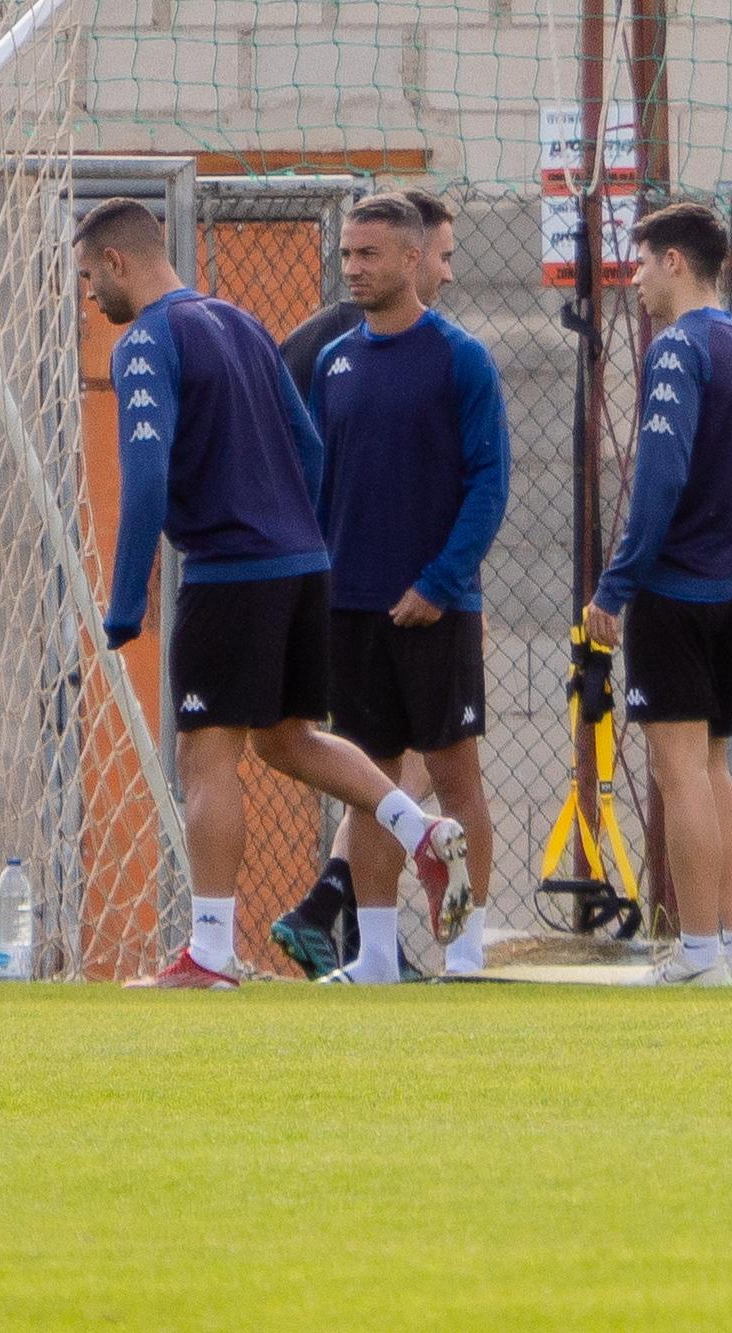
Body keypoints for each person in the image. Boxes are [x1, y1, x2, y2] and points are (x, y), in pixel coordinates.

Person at [73, 197, 468, 990]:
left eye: (87, 276)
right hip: (300, 563)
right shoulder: (240, 322)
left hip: (230, 571)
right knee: (288, 740)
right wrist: (297, 530)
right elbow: (309, 443)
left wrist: (125, 598)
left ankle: (211, 954)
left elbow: (145, 476)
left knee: (206, 755)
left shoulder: (146, 341)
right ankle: (417, 827)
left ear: (117, 261)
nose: (89, 296)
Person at [304, 193, 510, 984]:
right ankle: (378, 958)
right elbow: (324, 486)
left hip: (435, 609)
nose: (354, 267)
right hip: (350, 608)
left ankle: (466, 952)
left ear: (414, 259)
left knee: (457, 781)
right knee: (372, 789)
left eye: (370, 255)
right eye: (349, 254)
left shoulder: (461, 358)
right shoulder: (335, 362)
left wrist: (440, 581)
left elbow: (489, 484)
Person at [581, 201, 732, 987]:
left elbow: (656, 480)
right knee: (715, 764)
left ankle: (696, 952)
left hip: (676, 585)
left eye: (640, 262)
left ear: (674, 262)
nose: (633, 280)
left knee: (677, 770)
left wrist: (615, 585)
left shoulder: (676, 352)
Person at [272, 188, 459, 979]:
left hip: (355, 575)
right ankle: (348, 917)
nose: (447, 274)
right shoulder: (348, 345)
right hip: (360, 584)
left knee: (382, 750)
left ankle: (341, 919)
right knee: (393, 749)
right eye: (442, 255)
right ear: (411, 254)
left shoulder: (362, 340)